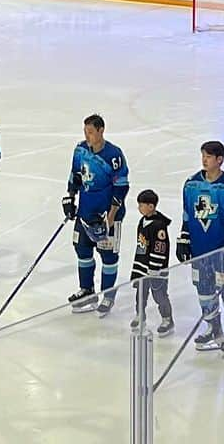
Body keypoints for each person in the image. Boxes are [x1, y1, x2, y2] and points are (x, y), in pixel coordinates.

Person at [177, 140, 224, 351]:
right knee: (204, 290)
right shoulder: (191, 184)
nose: (204, 160)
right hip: (200, 251)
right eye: (203, 155)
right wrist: (184, 240)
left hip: (223, 251)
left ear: (220, 160)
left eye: (208, 156)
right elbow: (186, 216)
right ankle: (213, 327)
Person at [63, 113, 129, 315]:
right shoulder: (80, 149)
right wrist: (70, 198)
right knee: (82, 250)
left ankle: (108, 295)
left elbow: (121, 187)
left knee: (108, 256)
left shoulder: (114, 155)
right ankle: (87, 291)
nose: (87, 136)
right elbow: (75, 175)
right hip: (85, 212)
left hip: (106, 216)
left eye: (90, 132)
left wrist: (110, 217)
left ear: (101, 130)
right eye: (85, 132)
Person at [129, 189, 173, 336]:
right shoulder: (143, 221)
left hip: (156, 269)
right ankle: (140, 315)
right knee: (140, 294)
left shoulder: (159, 226)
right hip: (142, 267)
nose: (139, 208)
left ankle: (167, 319)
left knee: (159, 295)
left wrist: (154, 268)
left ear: (151, 206)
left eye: (142, 205)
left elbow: (160, 248)